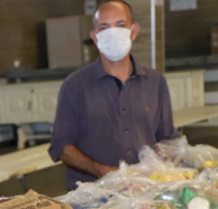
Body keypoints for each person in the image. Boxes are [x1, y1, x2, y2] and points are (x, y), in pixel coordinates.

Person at [49, 0, 180, 191]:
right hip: (92, 198)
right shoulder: (76, 85)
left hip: (145, 193)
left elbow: (167, 139)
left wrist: (177, 159)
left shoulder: (155, 82)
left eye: (120, 25)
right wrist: (103, 171)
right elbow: (62, 146)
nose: (113, 33)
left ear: (133, 31)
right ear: (95, 37)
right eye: (104, 27)